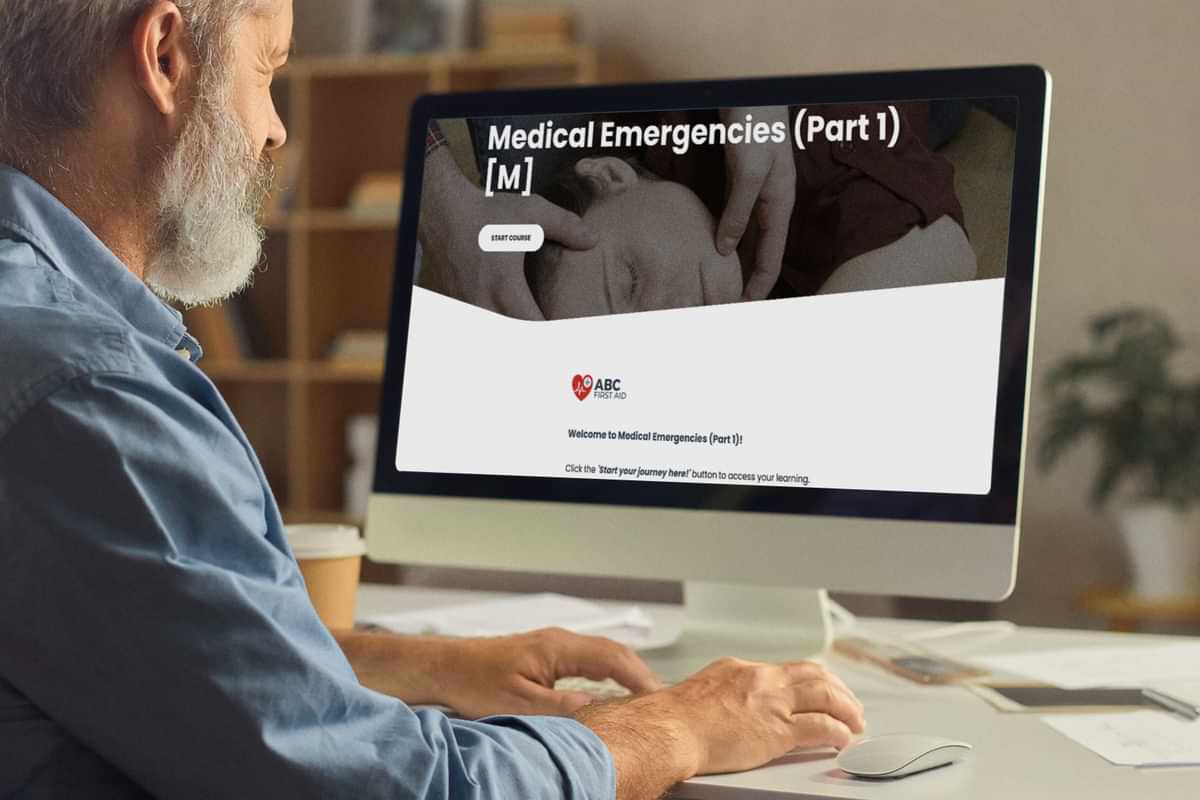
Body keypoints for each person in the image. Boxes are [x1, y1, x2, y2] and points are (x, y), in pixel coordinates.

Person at [0, 2, 866, 799]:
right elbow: (387, 788)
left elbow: (171, 659)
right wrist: (672, 727)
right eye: (267, 72)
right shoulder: (86, 391)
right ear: (164, 55)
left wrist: (420, 665)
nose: (275, 132)